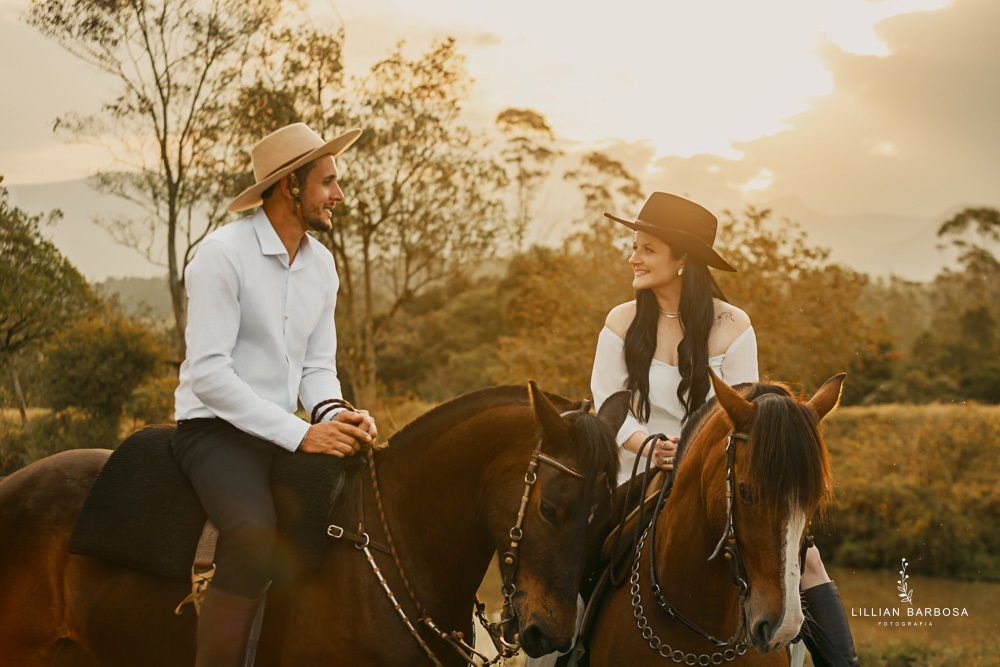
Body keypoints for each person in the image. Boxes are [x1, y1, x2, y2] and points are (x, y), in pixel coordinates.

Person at [590, 192, 858, 666]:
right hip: (635, 463)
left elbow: (744, 411)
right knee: (572, 547)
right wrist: (651, 446)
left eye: (647, 248)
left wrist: (692, 451)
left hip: (711, 466)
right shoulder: (621, 321)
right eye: (635, 245)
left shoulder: (733, 326)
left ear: (682, 260)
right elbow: (608, 405)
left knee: (807, 561)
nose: (633, 257)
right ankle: (561, 651)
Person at [172, 122, 378, 666]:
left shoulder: (323, 266)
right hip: (215, 431)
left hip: (287, 431)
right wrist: (302, 433)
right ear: (290, 186)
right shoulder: (221, 254)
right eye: (328, 182)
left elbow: (316, 367)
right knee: (254, 533)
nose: (339, 194)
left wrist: (339, 416)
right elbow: (211, 376)